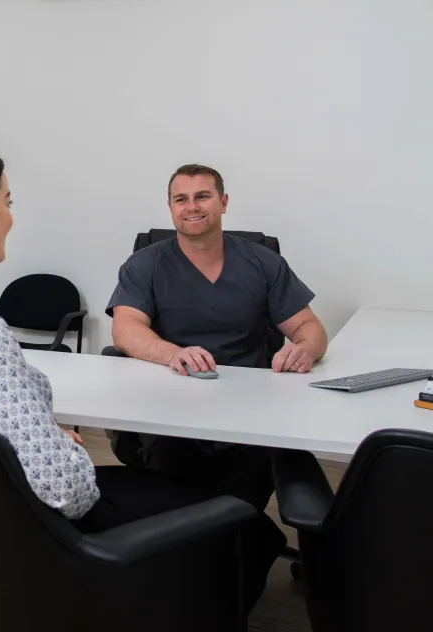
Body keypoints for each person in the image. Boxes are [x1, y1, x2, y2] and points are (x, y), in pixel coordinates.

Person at [0, 145, 283, 607]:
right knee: (247, 524)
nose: (11, 217)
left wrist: (36, 435)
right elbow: (65, 489)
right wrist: (59, 450)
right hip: (46, 533)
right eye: (6, 202)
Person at [106, 163, 328, 513]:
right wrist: (172, 353)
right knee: (175, 495)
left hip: (248, 408)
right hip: (172, 408)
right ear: (170, 208)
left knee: (243, 497)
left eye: (202, 196)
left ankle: (236, 535)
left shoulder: (263, 262)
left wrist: (305, 350)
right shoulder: (145, 264)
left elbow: (309, 328)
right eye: (181, 199)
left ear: (223, 203)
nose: (191, 206)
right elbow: (125, 328)